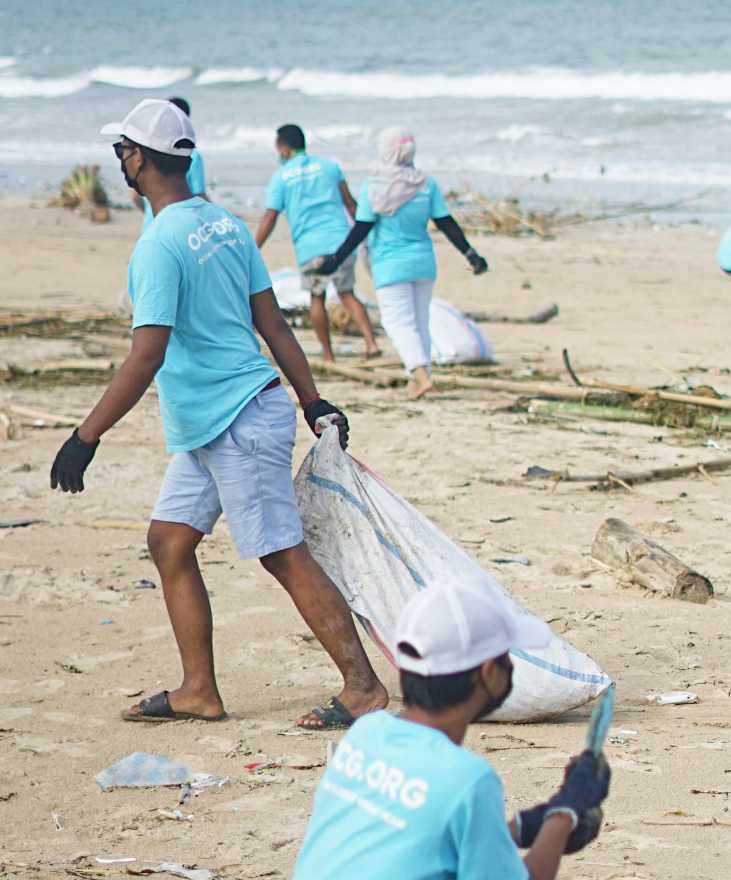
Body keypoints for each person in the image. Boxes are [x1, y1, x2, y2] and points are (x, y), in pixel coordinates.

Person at [52, 98, 389, 731]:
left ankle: (363, 688)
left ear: (139, 159)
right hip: (214, 422)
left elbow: (145, 354)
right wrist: (309, 399)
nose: (119, 160)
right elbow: (274, 325)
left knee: (281, 553)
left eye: (121, 150)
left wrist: (85, 436)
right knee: (169, 542)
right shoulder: (226, 225)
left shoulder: (158, 246)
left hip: (236, 420)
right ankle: (198, 690)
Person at [240, 580, 612, 880]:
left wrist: (526, 826)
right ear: (487, 673)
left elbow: (419, 840)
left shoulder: (368, 734)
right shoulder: (466, 777)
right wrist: (566, 812)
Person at [311, 128, 488, 400]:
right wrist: (471, 254)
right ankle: (419, 378)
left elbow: (362, 228)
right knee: (419, 321)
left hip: (390, 264)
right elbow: (446, 223)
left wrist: (336, 259)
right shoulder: (425, 184)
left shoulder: (376, 185)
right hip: (423, 263)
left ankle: (418, 373)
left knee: (397, 322)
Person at [254, 123, 382, 362]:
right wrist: (367, 235)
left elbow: (270, 218)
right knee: (347, 293)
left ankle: (328, 353)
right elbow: (350, 204)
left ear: (283, 150)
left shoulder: (281, 177)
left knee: (317, 298)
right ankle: (371, 342)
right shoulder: (329, 167)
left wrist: (253, 249)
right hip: (341, 241)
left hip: (309, 246)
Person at [132, 96, 206, 225]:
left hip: (151, 226)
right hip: (178, 226)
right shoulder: (191, 155)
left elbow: (135, 196)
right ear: (185, 121)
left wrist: (151, 215)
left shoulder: (146, 153)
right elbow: (199, 195)